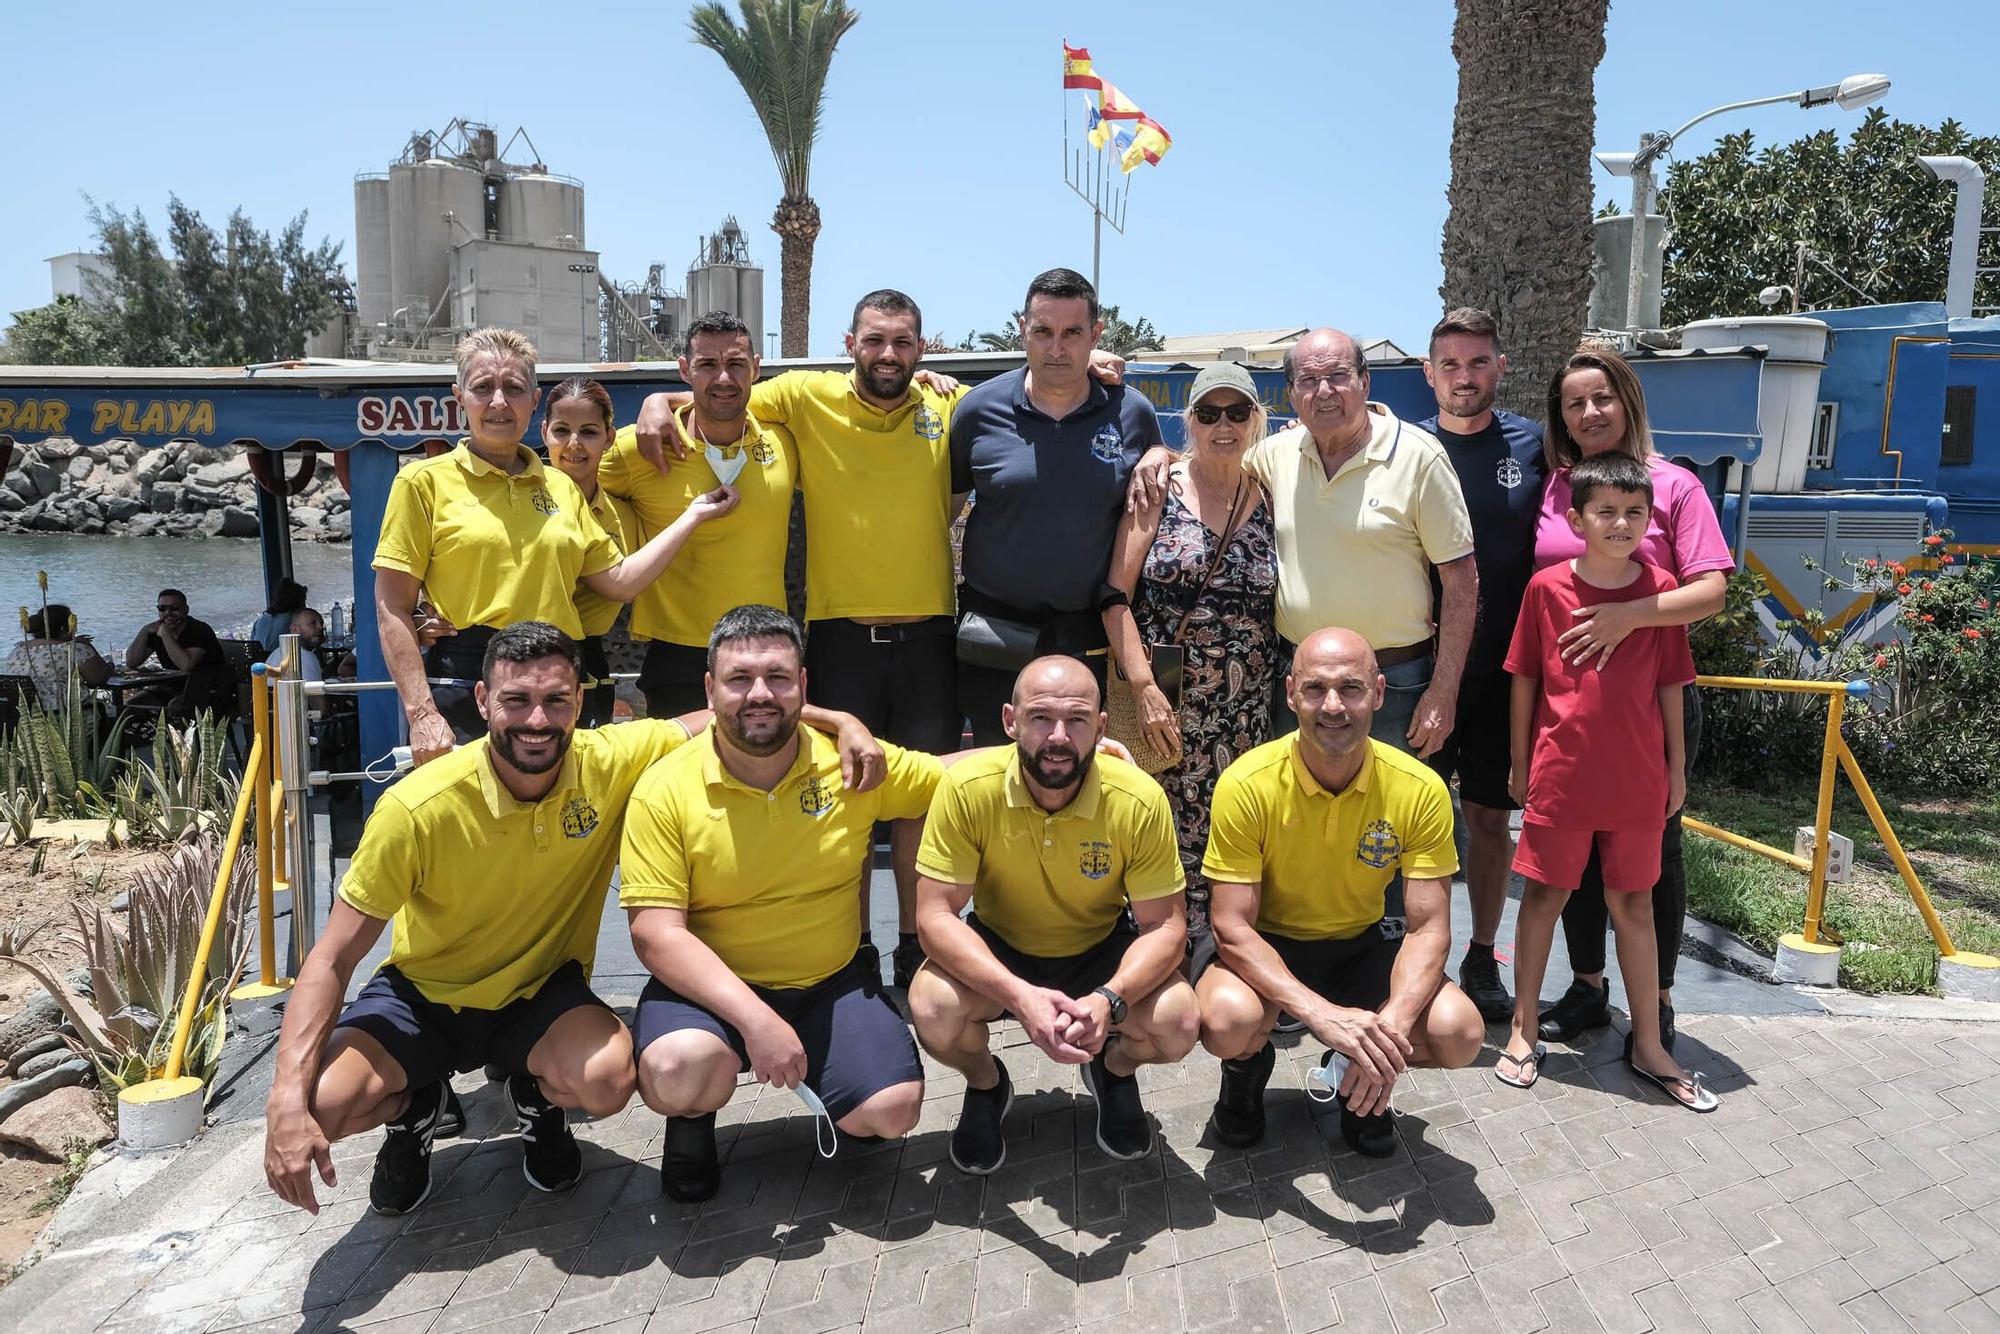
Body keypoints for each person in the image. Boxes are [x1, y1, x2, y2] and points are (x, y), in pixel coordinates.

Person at [261, 620, 883, 1217]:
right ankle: (413, 1110)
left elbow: (726, 715)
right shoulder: (416, 807)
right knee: (320, 1104)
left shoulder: (605, 759)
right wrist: (284, 1097)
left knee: (610, 1078)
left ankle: (537, 1103)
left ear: (580, 701)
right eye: (517, 700)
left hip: (540, 994)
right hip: (425, 994)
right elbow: (333, 958)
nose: (538, 720)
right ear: (481, 701)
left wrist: (843, 721)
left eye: (557, 700)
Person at [630, 291, 1128, 986]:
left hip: (930, 636)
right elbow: (720, 393)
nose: (887, 354)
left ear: (922, 350)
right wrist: (659, 402)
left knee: (920, 798)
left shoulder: (952, 406)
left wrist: (1094, 362)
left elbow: (1039, 383)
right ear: (850, 343)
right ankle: (859, 949)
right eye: (874, 341)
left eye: (901, 342)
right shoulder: (804, 397)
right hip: (836, 638)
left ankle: (921, 949)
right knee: (850, 797)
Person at [620, 606, 939, 1202]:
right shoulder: (664, 788)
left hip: (831, 980)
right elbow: (655, 935)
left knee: (893, 1111)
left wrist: (1055, 749)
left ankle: (846, 1088)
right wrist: (757, 1020)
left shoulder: (851, 763)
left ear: (804, 687)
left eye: (778, 678)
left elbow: (951, 776)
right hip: (708, 992)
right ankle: (692, 1122)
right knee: (677, 1070)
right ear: (709, 690)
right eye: (739, 679)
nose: (759, 694)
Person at [373, 327, 737, 766]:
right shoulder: (422, 483)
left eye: (513, 388)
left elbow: (619, 582)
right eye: (483, 388)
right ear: (459, 397)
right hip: (466, 679)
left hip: (558, 674)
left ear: (533, 400)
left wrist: (693, 514)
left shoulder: (562, 488)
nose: (498, 402)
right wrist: (422, 714)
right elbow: (392, 606)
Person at [1195, 628, 1482, 1158]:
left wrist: (1388, 1033)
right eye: (1315, 689)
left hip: (1361, 940)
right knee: (1226, 1022)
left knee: (1459, 1033)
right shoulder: (1246, 783)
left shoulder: (1419, 788)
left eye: (1350, 688)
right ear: (1289, 693)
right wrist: (1321, 1016)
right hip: (1268, 942)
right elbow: (1231, 926)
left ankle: (1359, 1078)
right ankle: (1245, 1070)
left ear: (1378, 692)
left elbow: (1429, 927)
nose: (1333, 706)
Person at [909, 656, 1197, 1172]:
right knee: (931, 1010)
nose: (1058, 736)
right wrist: (1018, 996)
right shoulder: (966, 787)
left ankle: (1114, 1069)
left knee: (1179, 1021)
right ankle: (987, 1085)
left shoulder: (1140, 798)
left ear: (1102, 727)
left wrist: (1111, 998)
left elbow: (1166, 926)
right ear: (1009, 721)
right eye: (1041, 718)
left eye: (1078, 719)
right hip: (1001, 946)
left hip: (1099, 948)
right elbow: (935, 917)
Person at [1531, 347, 1733, 1050]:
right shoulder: (1555, 488)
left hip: (1651, 696)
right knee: (1578, 852)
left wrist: (1633, 616)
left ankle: (1659, 999)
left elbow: (1710, 590)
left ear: (1628, 400)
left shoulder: (1673, 486)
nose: (1590, 413)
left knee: (1657, 848)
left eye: (1602, 398)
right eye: (1574, 403)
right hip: (1569, 701)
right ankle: (1588, 987)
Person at [1501, 452, 1716, 1112]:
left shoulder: (1657, 590)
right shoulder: (1546, 590)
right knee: (1544, 899)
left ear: (1648, 518)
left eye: (1633, 512)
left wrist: (1678, 768)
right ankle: (1522, 1028)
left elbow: (1672, 684)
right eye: (1605, 511)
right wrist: (1520, 760)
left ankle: (1649, 1043)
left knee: (1636, 908)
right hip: (1561, 777)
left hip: (1637, 782)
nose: (1620, 523)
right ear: (1577, 518)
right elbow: (1526, 679)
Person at [1102, 361, 1279, 948]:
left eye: (1236, 413)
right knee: (1152, 828)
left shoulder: (1275, 493)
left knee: (1234, 833)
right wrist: (1144, 686)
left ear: (1256, 420)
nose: (1222, 425)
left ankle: (1222, 957)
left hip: (1243, 710)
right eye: (1208, 413)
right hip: (1164, 698)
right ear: (1190, 421)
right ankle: (1154, 956)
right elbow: (1113, 597)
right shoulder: (1158, 489)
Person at [951, 268, 1165, 746]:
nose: (1057, 348)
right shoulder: (977, 410)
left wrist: (1161, 452)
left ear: (1096, 335)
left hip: (1087, 635)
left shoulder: (1130, 412)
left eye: (1072, 333)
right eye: (1043, 331)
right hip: (994, 634)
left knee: (1078, 776)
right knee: (993, 773)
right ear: (1022, 329)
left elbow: (1177, 469)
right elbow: (943, 514)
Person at [1415, 308, 1548, 1023]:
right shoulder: (1402, 444)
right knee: (1413, 820)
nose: (1463, 377)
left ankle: (1482, 954)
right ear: (1429, 372)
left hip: (1504, 674)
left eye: (1477, 363)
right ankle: (1412, 953)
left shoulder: (1534, 445)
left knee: (1490, 821)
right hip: (1421, 674)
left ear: (1499, 367)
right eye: (1450, 364)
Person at [599, 313, 796, 723]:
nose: (723, 378)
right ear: (685, 370)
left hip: (766, 651)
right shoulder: (638, 447)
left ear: (756, 369)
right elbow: (567, 487)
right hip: (677, 656)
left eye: (736, 365)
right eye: (707, 365)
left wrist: (919, 381)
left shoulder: (787, 442)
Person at [543, 376, 642, 728]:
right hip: (521, 659)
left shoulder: (625, 514)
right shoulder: (514, 501)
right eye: (561, 430)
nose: (573, 444)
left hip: (592, 657)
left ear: (609, 438)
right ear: (544, 433)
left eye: (588, 431)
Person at [123, 588, 235, 722]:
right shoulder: (157, 630)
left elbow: (186, 664)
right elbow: (132, 662)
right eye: (162, 609)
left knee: (175, 707)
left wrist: (165, 635)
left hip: (207, 689)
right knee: (131, 705)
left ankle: (179, 741)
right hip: (170, 687)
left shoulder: (199, 630)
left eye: (174, 608)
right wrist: (144, 631)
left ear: (186, 609)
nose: (168, 613)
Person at [6, 603, 112, 711]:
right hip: (67, 717)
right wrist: (88, 645)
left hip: (24, 720)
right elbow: (98, 679)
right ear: (63, 628)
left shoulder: (17, 651)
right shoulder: (72, 649)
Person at [249, 578, 309, 655]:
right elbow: (307, 645)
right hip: (282, 663)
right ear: (299, 601)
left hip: (258, 663)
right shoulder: (295, 620)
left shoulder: (261, 619)